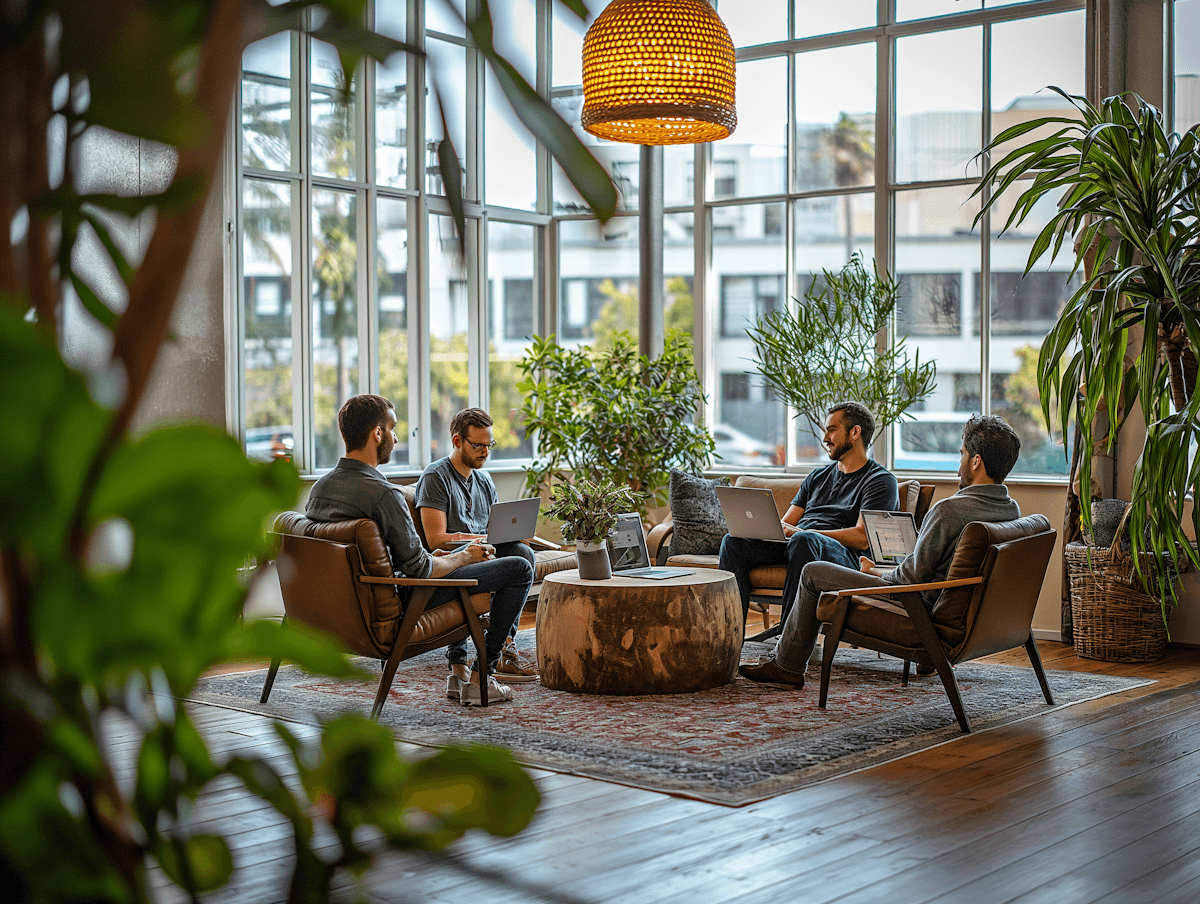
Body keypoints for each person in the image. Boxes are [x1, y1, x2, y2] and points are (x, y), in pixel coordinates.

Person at [739, 413, 1023, 688]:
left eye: (962, 454)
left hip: (916, 607)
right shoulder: (1012, 511)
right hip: (953, 612)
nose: (958, 463)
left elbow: (910, 577)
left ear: (975, 461)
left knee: (814, 572)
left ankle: (787, 665)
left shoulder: (948, 511)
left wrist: (874, 571)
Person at [305, 395, 533, 706]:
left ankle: (464, 671)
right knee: (519, 568)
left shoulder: (319, 489)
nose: (397, 437)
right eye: (393, 428)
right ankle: (483, 677)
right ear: (377, 434)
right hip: (407, 599)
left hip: (344, 609)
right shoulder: (384, 494)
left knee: (510, 555)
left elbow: (413, 560)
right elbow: (420, 571)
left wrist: (437, 557)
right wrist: (464, 555)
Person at [718, 401, 899, 635]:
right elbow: (787, 522)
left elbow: (863, 537)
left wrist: (807, 533)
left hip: (841, 555)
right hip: (799, 544)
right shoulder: (817, 476)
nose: (825, 438)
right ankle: (729, 635)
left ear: (855, 432)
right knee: (732, 542)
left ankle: (789, 636)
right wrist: (769, 528)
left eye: (832, 429)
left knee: (804, 541)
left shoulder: (880, 481)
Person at [416, 407, 539, 686]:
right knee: (504, 562)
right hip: (454, 560)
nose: (485, 452)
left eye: (489, 445)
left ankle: (505, 644)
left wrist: (510, 535)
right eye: (478, 445)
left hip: (485, 553)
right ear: (457, 441)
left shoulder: (484, 480)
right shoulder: (436, 477)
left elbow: (494, 529)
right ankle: (461, 658)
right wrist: (479, 540)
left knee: (524, 553)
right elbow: (435, 539)